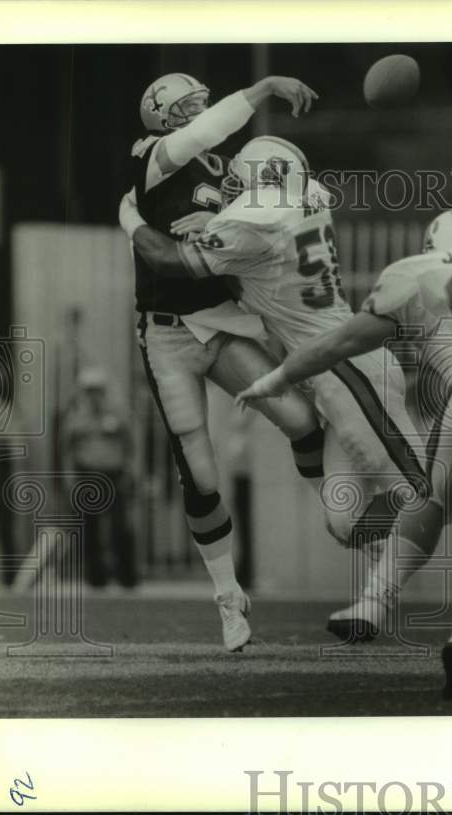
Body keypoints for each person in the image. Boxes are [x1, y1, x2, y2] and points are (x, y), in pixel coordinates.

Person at [235, 208, 452, 698]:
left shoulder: (415, 273)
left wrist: (274, 379)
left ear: (431, 246)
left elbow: (337, 343)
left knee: (428, 502)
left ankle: (373, 605)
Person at [126, 72, 323, 651]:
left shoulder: (226, 166)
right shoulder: (153, 158)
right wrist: (261, 90)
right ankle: (228, 599)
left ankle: (341, 513)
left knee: (302, 422)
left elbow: (297, 197)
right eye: (192, 105)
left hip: (222, 319)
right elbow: (209, 129)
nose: (204, 110)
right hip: (166, 337)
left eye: (203, 103)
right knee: (202, 473)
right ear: (166, 116)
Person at [61, 368, 136, 588]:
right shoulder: (75, 418)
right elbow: (67, 449)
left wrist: (130, 471)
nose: (93, 396)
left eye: (97, 391)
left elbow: (130, 445)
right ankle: (96, 578)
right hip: (87, 475)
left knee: (120, 525)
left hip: (113, 474)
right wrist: (69, 477)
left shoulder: (117, 414)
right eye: (89, 391)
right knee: (90, 527)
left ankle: (127, 576)